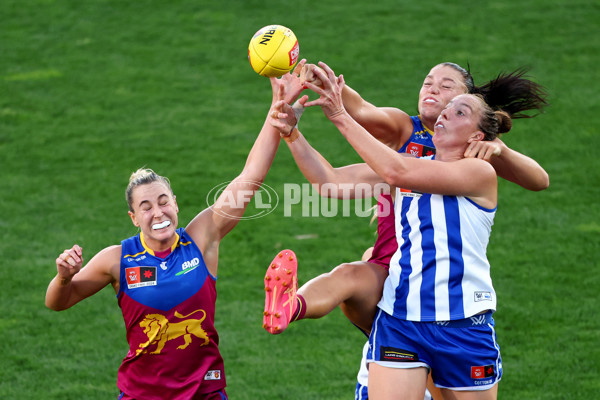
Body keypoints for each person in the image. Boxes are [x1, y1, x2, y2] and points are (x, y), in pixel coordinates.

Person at [265, 61, 547, 399]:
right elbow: (332, 181)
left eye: (458, 110)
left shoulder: (479, 172)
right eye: (431, 86)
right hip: (401, 318)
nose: (443, 112)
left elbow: (397, 171)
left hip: (462, 323)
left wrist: (340, 115)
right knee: (349, 275)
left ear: (477, 136)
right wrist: (292, 134)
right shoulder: (411, 161)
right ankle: (291, 306)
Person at [44, 68, 305, 400]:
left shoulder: (202, 238)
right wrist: (64, 277)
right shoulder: (117, 260)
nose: (158, 212)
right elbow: (57, 302)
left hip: (205, 393)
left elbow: (250, 177)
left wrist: (276, 108)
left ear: (176, 205)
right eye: (147, 207)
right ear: (133, 217)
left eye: (164, 201)